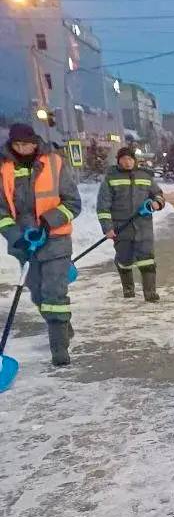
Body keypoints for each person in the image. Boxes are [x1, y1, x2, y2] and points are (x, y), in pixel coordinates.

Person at [0, 122, 81, 366]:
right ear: (12, 145)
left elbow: (73, 203)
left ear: (35, 142)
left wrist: (47, 222)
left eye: (28, 143)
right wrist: (16, 235)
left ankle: (59, 349)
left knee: (54, 293)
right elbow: (2, 212)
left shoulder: (54, 164)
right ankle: (62, 325)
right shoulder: (4, 170)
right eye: (18, 144)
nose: (24, 148)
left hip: (55, 240)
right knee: (38, 294)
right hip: (25, 244)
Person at [97, 147, 166, 301]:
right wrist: (107, 228)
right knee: (125, 260)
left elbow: (159, 195)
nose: (127, 162)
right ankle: (128, 290)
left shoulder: (145, 176)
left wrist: (157, 203)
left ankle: (150, 294)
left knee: (147, 259)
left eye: (130, 159)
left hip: (143, 226)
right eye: (123, 159)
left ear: (134, 160)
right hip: (121, 227)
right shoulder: (110, 179)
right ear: (118, 161)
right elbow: (103, 206)